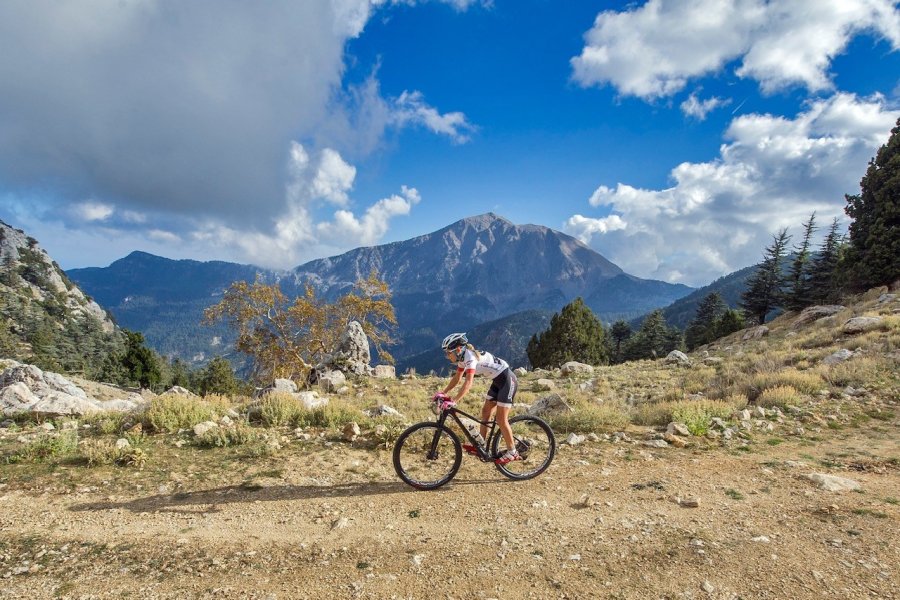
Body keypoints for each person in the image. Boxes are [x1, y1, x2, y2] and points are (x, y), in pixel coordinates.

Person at [439, 332, 521, 465]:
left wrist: (454, 401)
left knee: (501, 419)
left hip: (507, 380)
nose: (447, 356)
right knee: (485, 412)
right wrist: (443, 392)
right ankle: (481, 445)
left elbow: (468, 383)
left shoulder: (470, 358)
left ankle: (513, 451)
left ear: (458, 349)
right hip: (497, 380)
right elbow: (457, 378)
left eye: (449, 353)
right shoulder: (462, 358)